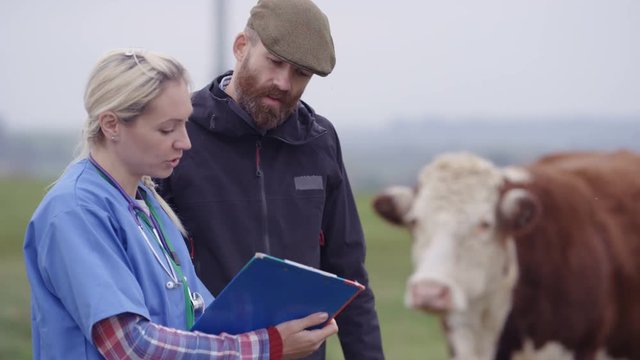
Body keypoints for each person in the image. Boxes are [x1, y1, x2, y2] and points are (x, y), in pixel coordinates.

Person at [23, 48, 338, 360]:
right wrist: (267, 346)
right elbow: (131, 346)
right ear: (111, 124)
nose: (185, 142)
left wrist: (285, 319)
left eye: (185, 124)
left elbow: (195, 313)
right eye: (166, 128)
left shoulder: (147, 202)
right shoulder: (75, 212)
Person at [157, 0, 385, 359]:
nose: (283, 83)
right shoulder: (180, 134)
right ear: (241, 47)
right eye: (275, 62)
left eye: (301, 73)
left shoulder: (320, 140)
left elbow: (350, 275)